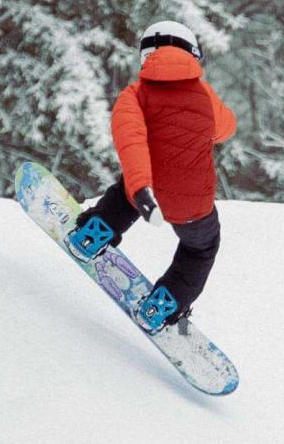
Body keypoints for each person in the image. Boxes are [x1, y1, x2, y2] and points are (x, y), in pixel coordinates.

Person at [75, 20, 236, 335]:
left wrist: (142, 191)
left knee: (127, 193)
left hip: (150, 187)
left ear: (146, 57)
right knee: (200, 249)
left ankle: (97, 231)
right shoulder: (204, 95)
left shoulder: (135, 95)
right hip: (196, 207)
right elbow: (226, 128)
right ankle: (165, 303)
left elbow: (131, 142)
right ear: (192, 56)